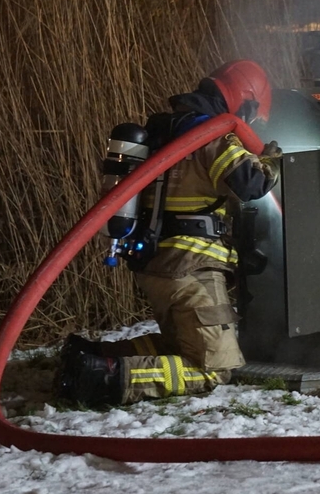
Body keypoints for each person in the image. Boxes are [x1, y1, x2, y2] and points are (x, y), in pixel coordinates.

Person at [55, 60, 280, 407]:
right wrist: (272, 159)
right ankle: (107, 377)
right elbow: (252, 183)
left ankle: (92, 356)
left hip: (157, 265)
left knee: (181, 348)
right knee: (212, 369)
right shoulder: (213, 136)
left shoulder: (164, 131)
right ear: (244, 103)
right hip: (191, 269)